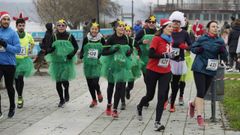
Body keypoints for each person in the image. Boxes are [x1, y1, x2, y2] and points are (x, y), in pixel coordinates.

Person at [188, 20, 228, 127]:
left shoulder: (220, 41)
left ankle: (192, 104)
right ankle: (200, 116)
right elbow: (192, 48)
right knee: (200, 92)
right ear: (208, 28)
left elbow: (224, 57)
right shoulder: (202, 38)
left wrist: (223, 50)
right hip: (199, 67)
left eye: (216, 27)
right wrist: (198, 49)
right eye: (213, 26)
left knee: (203, 93)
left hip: (211, 68)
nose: (215, 28)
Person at [137, 19, 173, 131]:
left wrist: (174, 56)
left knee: (162, 97)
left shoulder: (170, 40)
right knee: (150, 96)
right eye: (169, 27)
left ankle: (157, 122)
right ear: (163, 28)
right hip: (152, 71)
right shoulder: (157, 39)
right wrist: (164, 55)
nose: (172, 28)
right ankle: (140, 106)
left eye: (172, 27)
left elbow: (169, 55)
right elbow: (151, 54)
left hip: (165, 72)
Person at [101, 20, 133, 118]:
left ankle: (115, 109)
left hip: (122, 65)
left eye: (123, 26)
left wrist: (129, 52)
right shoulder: (111, 39)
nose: (122, 28)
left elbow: (131, 48)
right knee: (111, 85)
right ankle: (109, 104)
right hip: (111, 65)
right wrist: (112, 50)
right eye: (119, 26)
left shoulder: (127, 38)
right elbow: (103, 52)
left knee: (120, 87)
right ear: (115, 28)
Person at [46, 19, 79, 107]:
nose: (61, 27)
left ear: (66, 27)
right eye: (59, 25)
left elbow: (76, 47)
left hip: (66, 62)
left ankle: (66, 91)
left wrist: (71, 55)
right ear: (56, 27)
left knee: (64, 80)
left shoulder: (70, 36)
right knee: (58, 82)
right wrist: (51, 49)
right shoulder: (54, 36)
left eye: (63, 25)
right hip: (56, 62)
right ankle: (61, 99)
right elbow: (48, 48)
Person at [168, 11, 192, 112]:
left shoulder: (184, 33)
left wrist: (186, 47)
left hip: (179, 61)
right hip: (168, 60)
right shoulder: (168, 31)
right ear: (171, 22)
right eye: (174, 21)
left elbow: (191, 46)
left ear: (181, 22)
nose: (176, 23)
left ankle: (172, 104)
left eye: (178, 22)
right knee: (166, 82)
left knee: (175, 83)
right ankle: (165, 100)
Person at [0, 11, 21, 118]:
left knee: (9, 87)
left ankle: (12, 106)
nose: (6, 21)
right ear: (0, 20)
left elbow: (18, 49)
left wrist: (5, 45)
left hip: (9, 64)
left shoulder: (13, 33)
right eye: (4, 19)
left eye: (8, 19)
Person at [80, 22, 104, 108]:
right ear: (90, 30)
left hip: (97, 63)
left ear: (98, 30)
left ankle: (98, 92)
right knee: (89, 83)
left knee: (95, 81)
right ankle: (94, 100)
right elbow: (82, 49)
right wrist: (81, 54)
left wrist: (99, 55)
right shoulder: (87, 38)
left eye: (96, 29)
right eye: (92, 29)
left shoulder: (101, 39)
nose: (94, 30)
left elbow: (104, 50)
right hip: (88, 63)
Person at [135, 16, 157, 107]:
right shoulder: (142, 31)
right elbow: (134, 42)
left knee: (151, 79)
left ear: (155, 23)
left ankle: (148, 96)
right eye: (149, 22)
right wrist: (141, 41)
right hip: (144, 58)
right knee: (147, 79)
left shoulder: (158, 32)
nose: (151, 23)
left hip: (155, 58)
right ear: (147, 23)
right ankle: (148, 97)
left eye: (153, 22)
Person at [14, 14, 35, 109]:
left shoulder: (28, 36)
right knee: (16, 80)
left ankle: (19, 97)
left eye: (23, 25)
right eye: (20, 25)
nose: (21, 27)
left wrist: (30, 49)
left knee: (20, 78)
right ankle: (19, 95)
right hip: (14, 60)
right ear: (16, 26)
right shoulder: (13, 35)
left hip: (24, 61)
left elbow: (32, 43)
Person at [124, 25, 142, 101]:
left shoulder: (134, 41)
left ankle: (127, 90)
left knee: (131, 84)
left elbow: (140, 50)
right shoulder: (121, 41)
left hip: (133, 64)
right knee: (122, 82)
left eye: (129, 31)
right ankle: (122, 100)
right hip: (124, 64)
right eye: (126, 31)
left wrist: (138, 55)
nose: (128, 32)